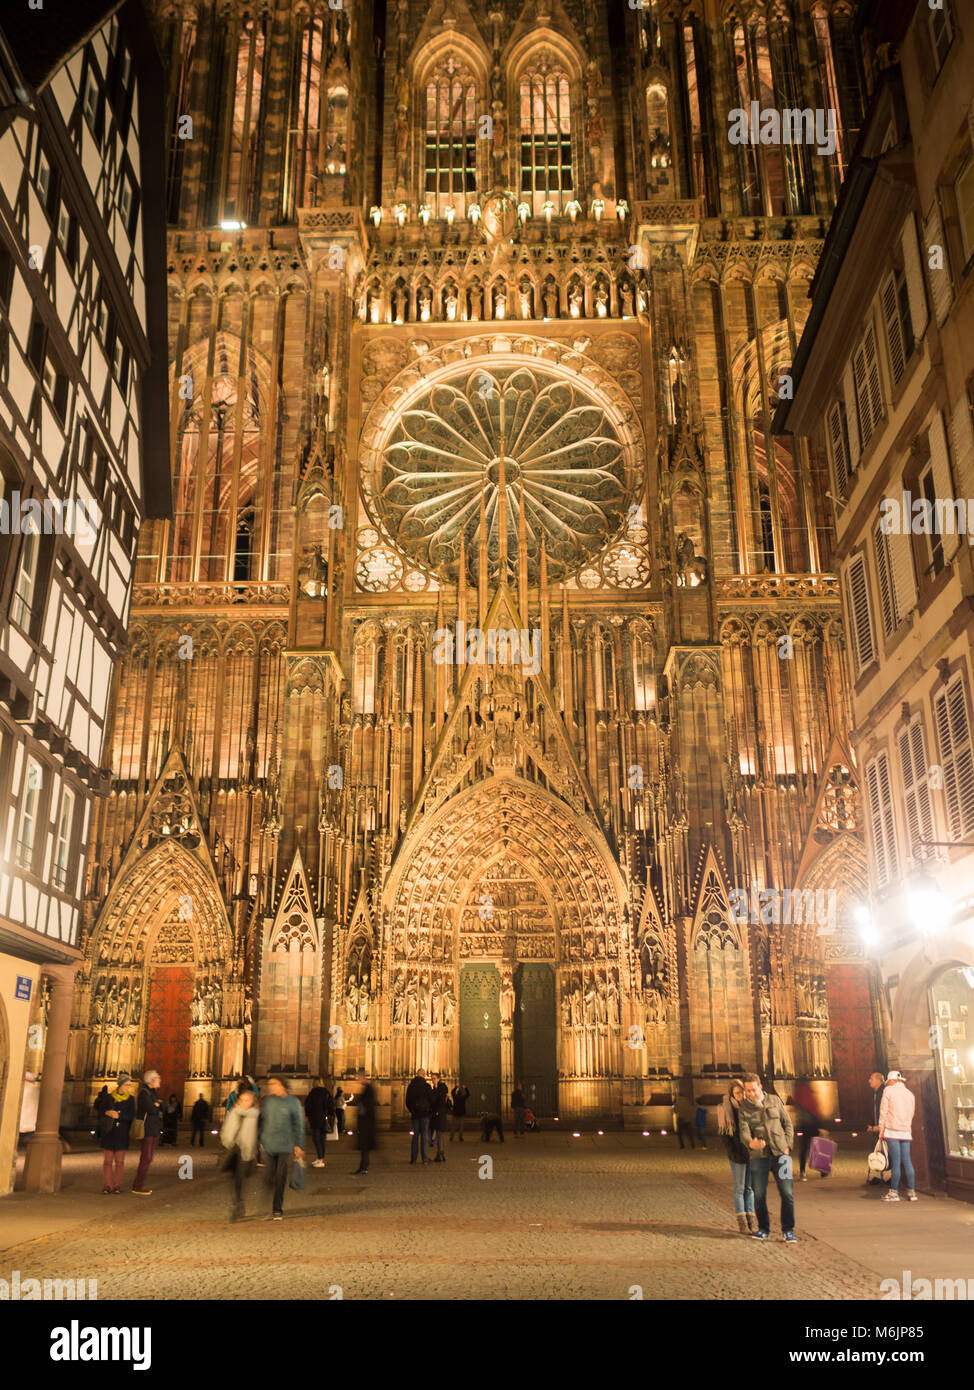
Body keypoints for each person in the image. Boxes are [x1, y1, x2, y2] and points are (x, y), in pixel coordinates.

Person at [738, 1073, 796, 1242]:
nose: (751, 1094)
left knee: (787, 1194)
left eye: (753, 1090)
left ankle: (788, 1230)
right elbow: (743, 1132)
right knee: (759, 1195)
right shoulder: (744, 1108)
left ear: (760, 1087)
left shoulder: (774, 1100)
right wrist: (750, 1143)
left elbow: (788, 1124)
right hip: (759, 1156)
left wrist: (788, 1146)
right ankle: (764, 1229)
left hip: (781, 1154)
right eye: (747, 1091)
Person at [259, 1076, 305, 1220]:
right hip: (268, 1144)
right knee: (268, 1176)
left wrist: (299, 1144)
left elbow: (299, 1124)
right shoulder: (267, 1101)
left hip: (285, 1146)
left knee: (280, 1177)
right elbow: (261, 1120)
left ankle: (277, 1209)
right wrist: (259, 1137)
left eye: (274, 1084)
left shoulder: (293, 1102)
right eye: (270, 1084)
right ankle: (268, 1199)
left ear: (283, 1085)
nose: (271, 1086)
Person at [719, 1080, 756, 1234]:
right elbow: (724, 1136)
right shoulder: (725, 1109)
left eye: (742, 1092)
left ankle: (751, 1222)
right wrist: (733, 1153)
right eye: (737, 1093)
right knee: (739, 1189)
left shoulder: (750, 1107)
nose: (741, 1096)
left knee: (750, 1189)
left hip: (751, 1154)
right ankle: (742, 1225)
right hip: (737, 1155)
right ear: (731, 1094)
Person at [221, 1081, 259, 1221]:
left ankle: (238, 1205)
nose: (244, 1102)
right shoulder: (234, 1112)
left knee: (239, 1179)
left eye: (247, 1100)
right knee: (233, 1179)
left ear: (252, 1101)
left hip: (246, 1151)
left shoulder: (255, 1115)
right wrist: (227, 1141)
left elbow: (258, 1133)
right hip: (233, 1150)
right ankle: (238, 1202)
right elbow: (226, 1129)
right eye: (242, 1100)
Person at [878, 1070, 918, 1202]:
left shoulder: (888, 1091)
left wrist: (881, 1129)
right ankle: (912, 1192)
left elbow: (884, 1111)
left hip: (892, 1130)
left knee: (896, 1161)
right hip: (906, 1131)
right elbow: (912, 1113)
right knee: (907, 1161)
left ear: (892, 1081)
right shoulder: (910, 1094)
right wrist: (906, 1125)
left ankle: (894, 1192)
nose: (887, 1084)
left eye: (888, 1082)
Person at [98, 1074, 135, 1194]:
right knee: (107, 1161)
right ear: (120, 1084)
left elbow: (131, 1116)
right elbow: (100, 1111)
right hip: (109, 1132)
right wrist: (107, 1112)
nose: (128, 1087)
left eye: (129, 1085)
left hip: (121, 1132)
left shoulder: (131, 1099)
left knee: (120, 1161)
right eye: (127, 1085)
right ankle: (107, 1185)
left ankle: (117, 1185)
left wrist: (119, 1116)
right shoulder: (109, 1098)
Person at [132, 1070, 163, 1195]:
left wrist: (157, 1105)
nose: (160, 1079)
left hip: (153, 1129)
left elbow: (158, 1107)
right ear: (151, 1080)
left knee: (148, 1158)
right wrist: (156, 1105)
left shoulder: (152, 1093)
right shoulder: (144, 1094)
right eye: (158, 1078)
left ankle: (138, 1183)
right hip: (147, 1130)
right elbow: (152, 1109)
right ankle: (138, 1185)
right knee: (146, 1158)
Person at [791, 1079, 823, 1181]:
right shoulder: (808, 1092)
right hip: (812, 1124)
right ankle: (822, 1170)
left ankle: (802, 1171)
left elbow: (796, 1107)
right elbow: (814, 1109)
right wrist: (821, 1125)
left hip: (803, 1125)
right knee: (817, 1148)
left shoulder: (797, 1093)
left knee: (803, 1149)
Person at [305, 1078, 335, 1168]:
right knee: (322, 1139)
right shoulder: (326, 1092)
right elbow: (331, 1105)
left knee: (316, 1138)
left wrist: (308, 1115)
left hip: (315, 1119)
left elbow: (308, 1106)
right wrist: (331, 1115)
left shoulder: (313, 1092)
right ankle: (320, 1158)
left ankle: (320, 1159)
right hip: (324, 1119)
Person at [405, 1068, 434, 1164]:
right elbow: (432, 1100)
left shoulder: (411, 1086)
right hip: (425, 1114)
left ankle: (413, 1159)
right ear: (424, 1075)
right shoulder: (427, 1086)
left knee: (415, 1137)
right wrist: (429, 1110)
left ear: (417, 1075)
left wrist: (412, 1110)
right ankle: (424, 1158)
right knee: (424, 1137)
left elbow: (407, 1101)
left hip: (415, 1115)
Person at [352, 1068, 377, 1175]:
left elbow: (368, 1106)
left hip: (366, 1123)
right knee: (364, 1147)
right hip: (366, 1122)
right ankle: (364, 1166)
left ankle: (364, 1167)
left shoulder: (368, 1089)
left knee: (364, 1146)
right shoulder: (367, 1088)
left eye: (358, 1077)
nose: (357, 1080)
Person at [429, 1073, 449, 1161]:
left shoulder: (441, 1088)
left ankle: (440, 1154)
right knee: (438, 1135)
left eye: (434, 1079)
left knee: (440, 1134)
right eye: (432, 1079)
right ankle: (440, 1154)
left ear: (438, 1079)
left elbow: (438, 1101)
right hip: (437, 1115)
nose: (433, 1081)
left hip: (440, 1114)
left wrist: (436, 1088)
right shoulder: (436, 1089)